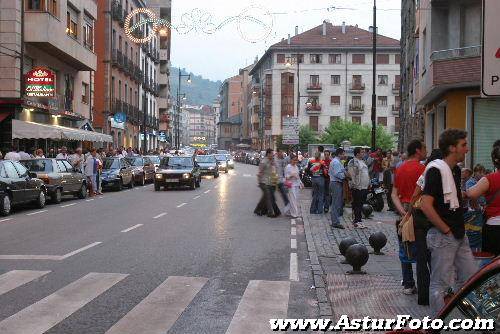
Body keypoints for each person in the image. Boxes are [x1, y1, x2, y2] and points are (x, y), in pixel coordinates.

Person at [420, 129, 477, 316]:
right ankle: (438, 321)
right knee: (440, 283)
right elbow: (426, 204)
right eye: (463, 145)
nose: (466, 149)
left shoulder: (455, 169)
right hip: (444, 235)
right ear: (452, 148)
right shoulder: (436, 170)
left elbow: (448, 196)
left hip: (459, 232)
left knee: (470, 277)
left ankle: (458, 314)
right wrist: (445, 229)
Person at [391, 139, 427, 297]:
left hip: (403, 210)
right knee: (422, 248)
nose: (426, 151)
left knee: (404, 246)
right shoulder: (424, 169)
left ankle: (408, 283)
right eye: (424, 148)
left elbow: (393, 194)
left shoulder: (400, 168)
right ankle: (423, 284)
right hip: (419, 211)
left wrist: (403, 212)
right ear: (418, 150)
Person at [466, 146, 500, 256]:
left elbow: (471, 194)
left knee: (492, 266)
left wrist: (475, 206)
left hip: (494, 227)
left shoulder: (490, 178)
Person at [347, 147, 370, 228]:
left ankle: (359, 220)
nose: (364, 153)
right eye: (362, 152)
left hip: (364, 186)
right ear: (357, 154)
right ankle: (356, 221)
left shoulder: (362, 161)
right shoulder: (353, 162)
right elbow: (352, 174)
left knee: (360, 204)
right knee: (357, 204)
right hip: (358, 187)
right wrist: (355, 185)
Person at [254, 149, 280, 217]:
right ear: (268, 154)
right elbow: (260, 173)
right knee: (268, 196)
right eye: (272, 154)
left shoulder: (272, 161)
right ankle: (270, 212)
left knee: (265, 197)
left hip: (270, 182)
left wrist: (273, 164)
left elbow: (276, 169)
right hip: (263, 182)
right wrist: (259, 182)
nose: (273, 155)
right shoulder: (263, 162)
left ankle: (257, 209)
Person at [329, 148, 347, 229]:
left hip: (336, 183)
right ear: (339, 154)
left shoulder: (338, 161)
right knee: (336, 203)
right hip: (336, 183)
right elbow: (337, 174)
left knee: (337, 202)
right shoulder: (336, 162)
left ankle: (335, 221)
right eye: (343, 154)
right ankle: (335, 222)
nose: (344, 155)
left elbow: (342, 170)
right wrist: (345, 176)